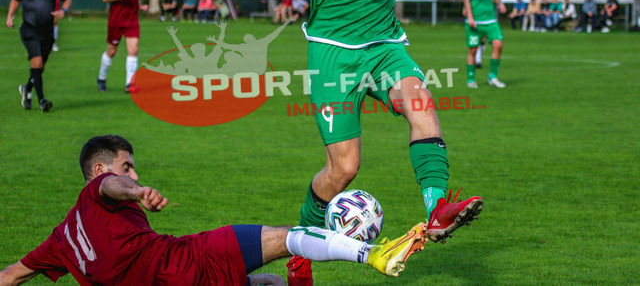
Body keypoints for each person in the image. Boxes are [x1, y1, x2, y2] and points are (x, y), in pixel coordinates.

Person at [268, 0, 483, 283]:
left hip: (385, 45)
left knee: (422, 104)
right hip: (334, 53)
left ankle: (437, 210)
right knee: (343, 169)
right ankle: (300, 251)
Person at [0, 135, 428, 285]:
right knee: (288, 238)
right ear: (99, 169)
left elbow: (12, 275)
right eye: (127, 165)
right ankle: (372, 253)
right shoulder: (100, 189)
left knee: (269, 283)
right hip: (183, 262)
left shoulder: (59, 241)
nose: (133, 172)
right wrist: (137, 190)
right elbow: (112, 185)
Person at [6, 0, 71, 112]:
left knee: (41, 66)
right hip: (29, 29)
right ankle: (42, 100)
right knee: (36, 62)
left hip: (47, 30)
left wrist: (63, 11)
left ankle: (27, 88)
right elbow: (15, 0)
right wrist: (9, 16)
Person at [97, 0, 147, 94]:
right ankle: (101, 78)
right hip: (116, 21)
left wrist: (141, 6)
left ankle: (129, 84)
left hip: (132, 21)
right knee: (112, 51)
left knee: (134, 50)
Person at [463, 0, 507, 88]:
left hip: (491, 20)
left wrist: (500, 4)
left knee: (498, 45)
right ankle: (471, 79)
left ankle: (492, 77)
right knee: (473, 50)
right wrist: (470, 17)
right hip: (475, 22)